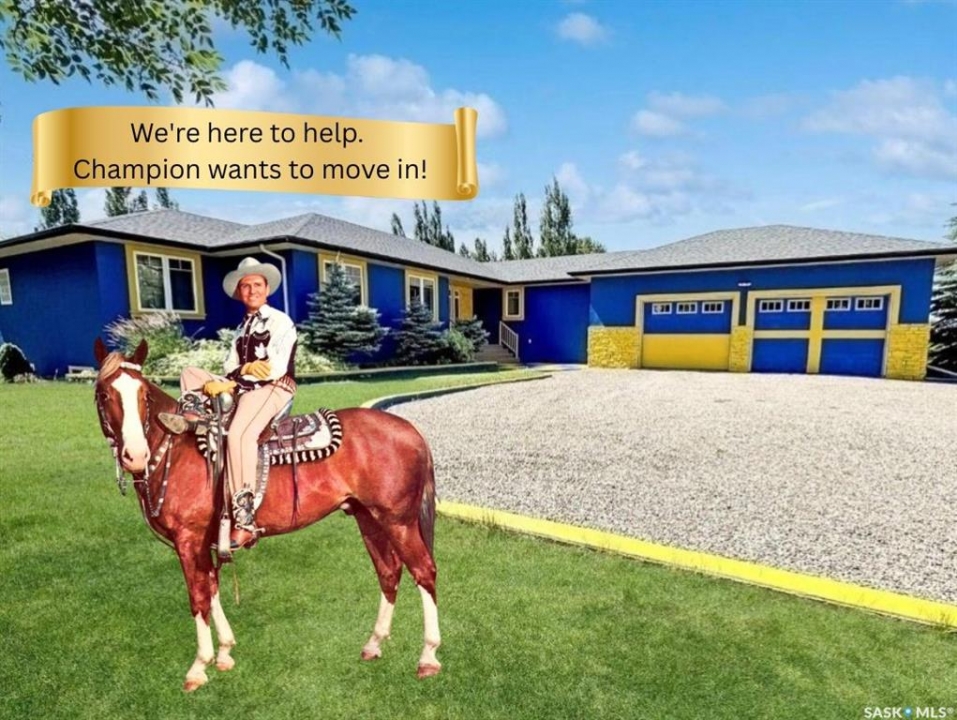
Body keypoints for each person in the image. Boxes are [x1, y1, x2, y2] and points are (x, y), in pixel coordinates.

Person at [160, 257, 298, 551]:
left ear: (267, 289)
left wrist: (234, 381)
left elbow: (274, 368)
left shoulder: (280, 321)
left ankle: (245, 520)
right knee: (190, 374)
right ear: (239, 293)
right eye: (245, 286)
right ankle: (194, 418)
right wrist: (239, 374)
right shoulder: (241, 328)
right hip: (244, 386)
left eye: (257, 285)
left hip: (274, 387)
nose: (251, 290)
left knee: (239, 435)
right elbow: (229, 366)